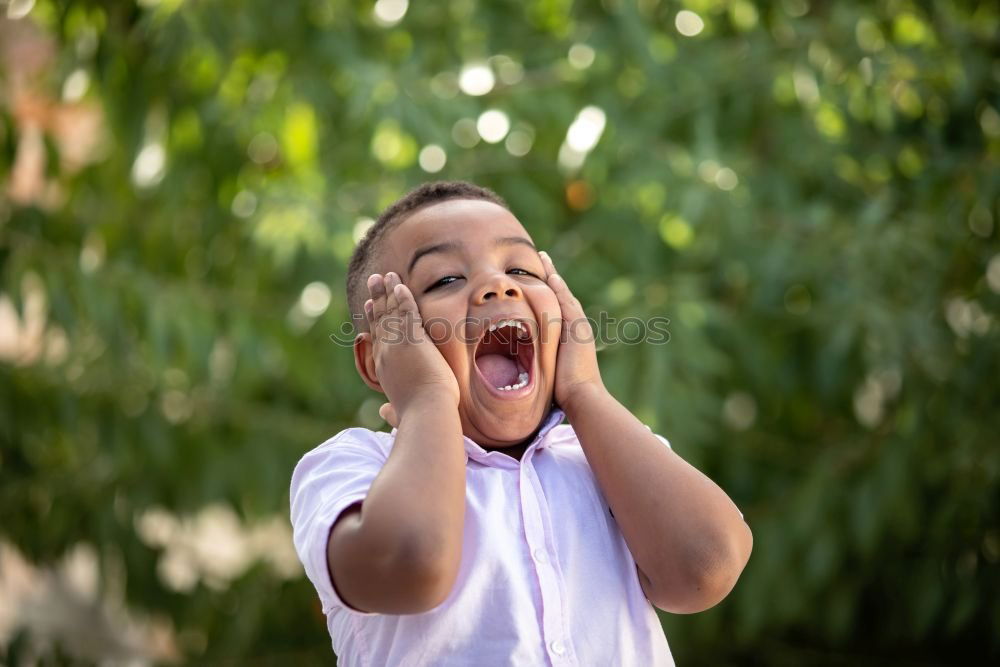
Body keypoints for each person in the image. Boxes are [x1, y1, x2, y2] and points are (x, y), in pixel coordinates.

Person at [290, 181, 752, 665]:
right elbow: (411, 562)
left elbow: (707, 568)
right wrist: (427, 398)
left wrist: (585, 392)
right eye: (445, 280)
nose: (499, 285)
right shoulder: (350, 466)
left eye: (521, 269)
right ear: (377, 356)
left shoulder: (605, 455)